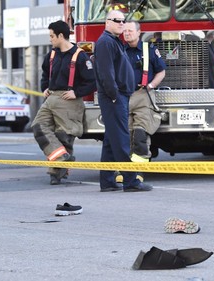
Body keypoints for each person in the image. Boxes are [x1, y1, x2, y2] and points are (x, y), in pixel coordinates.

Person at [93, 10, 152, 192]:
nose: (121, 23)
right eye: (116, 20)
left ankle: (108, 182)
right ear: (107, 22)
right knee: (122, 139)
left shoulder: (113, 41)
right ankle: (130, 181)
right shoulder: (105, 43)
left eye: (123, 21)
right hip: (114, 98)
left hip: (119, 96)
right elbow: (106, 74)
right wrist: (114, 96)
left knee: (111, 140)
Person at [31, 20, 96, 185]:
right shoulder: (51, 54)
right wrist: (45, 87)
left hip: (70, 101)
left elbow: (92, 81)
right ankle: (62, 157)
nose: (50, 39)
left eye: (52, 36)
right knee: (38, 126)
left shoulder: (80, 56)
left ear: (61, 35)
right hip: (51, 98)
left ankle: (56, 173)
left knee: (63, 136)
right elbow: (45, 74)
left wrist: (77, 92)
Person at [123, 20, 166, 164]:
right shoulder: (120, 51)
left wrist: (151, 85)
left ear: (138, 32)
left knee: (140, 135)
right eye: (125, 31)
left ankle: (139, 170)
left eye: (130, 30)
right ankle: (127, 170)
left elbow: (161, 72)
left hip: (143, 95)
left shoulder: (150, 49)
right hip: (125, 96)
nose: (127, 33)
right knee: (126, 135)